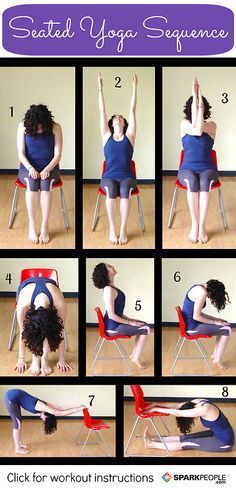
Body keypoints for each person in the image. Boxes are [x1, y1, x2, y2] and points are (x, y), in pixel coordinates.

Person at [98, 73, 138, 245]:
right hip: (108, 177)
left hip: (127, 177)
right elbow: (102, 111)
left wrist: (135, 87)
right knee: (110, 191)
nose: (117, 117)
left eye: (120, 117)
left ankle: (123, 229)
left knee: (125, 192)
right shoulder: (106, 135)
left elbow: (132, 110)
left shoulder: (130, 135)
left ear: (123, 122)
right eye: (115, 117)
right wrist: (100, 88)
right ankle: (113, 229)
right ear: (111, 122)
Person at [178, 77, 218, 244]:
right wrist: (195, 96)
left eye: (200, 106)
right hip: (187, 169)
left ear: (204, 108)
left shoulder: (212, 125)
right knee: (193, 180)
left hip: (208, 169)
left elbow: (200, 127)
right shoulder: (184, 124)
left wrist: (198, 101)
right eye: (195, 105)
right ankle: (194, 225)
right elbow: (196, 130)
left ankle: (202, 226)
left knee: (204, 181)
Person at [17, 104, 63, 244]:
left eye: (42, 125)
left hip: (50, 168)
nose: (40, 129)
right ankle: (32, 225)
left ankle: (44, 226)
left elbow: (58, 155)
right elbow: (21, 154)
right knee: (32, 183)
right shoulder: (22, 127)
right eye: (37, 126)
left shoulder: (56, 127)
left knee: (45, 183)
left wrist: (47, 169)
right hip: (28, 167)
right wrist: (31, 168)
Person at [92, 262, 150, 369]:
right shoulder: (109, 290)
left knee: (143, 324)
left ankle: (134, 355)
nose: (112, 266)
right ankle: (136, 357)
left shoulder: (111, 288)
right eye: (109, 266)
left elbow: (118, 313)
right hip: (112, 328)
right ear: (106, 273)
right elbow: (111, 315)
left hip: (115, 324)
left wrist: (132, 319)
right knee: (146, 328)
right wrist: (130, 322)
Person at [14, 274, 71, 376]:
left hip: (50, 288)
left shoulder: (59, 303)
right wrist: (21, 359)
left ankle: (44, 360)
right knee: (37, 334)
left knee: (46, 332)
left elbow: (61, 331)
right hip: (28, 286)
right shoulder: (23, 305)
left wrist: (62, 359)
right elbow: (23, 332)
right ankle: (35, 359)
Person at [4, 388, 85, 454]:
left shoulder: (44, 404)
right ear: (47, 415)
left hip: (15, 395)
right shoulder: (43, 407)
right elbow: (62, 413)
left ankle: (19, 444)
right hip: (10, 398)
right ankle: (17, 448)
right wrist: (78, 409)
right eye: (44, 419)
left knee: (19, 423)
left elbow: (61, 407)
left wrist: (78, 406)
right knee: (17, 424)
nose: (41, 419)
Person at [144, 398, 234, 453]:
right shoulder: (199, 402)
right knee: (186, 437)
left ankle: (150, 444)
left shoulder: (205, 409)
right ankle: (153, 438)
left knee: (187, 443)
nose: (193, 418)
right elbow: (177, 405)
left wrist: (154, 409)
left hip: (224, 442)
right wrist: (156, 404)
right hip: (216, 432)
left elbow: (177, 412)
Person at [182, 279, 231, 369]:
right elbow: (196, 317)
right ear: (212, 292)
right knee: (227, 329)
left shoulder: (199, 286)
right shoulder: (202, 292)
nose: (210, 298)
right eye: (213, 296)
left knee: (224, 325)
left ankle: (215, 355)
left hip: (192, 324)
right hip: (192, 328)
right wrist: (216, 322)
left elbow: (199, 313)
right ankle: (217, 359)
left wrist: (217, 319)